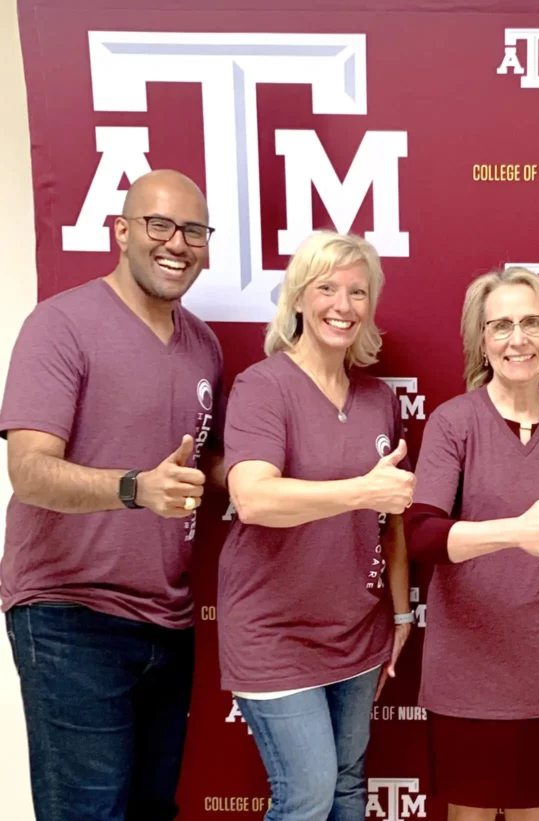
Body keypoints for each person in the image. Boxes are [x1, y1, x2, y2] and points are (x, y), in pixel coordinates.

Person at [1, 169, 223, 821]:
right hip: (71, 614)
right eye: (159, 225)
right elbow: (29, 470)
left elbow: (205, 466)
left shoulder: (205, 346)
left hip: (168, 619)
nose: (177, 244)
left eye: (193, 230)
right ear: (123, 231)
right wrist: (134, 488)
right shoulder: (61, 324)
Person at [219, 230, 416, 821]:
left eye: (358, 292)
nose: (343, 304)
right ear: (299, 298)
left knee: (349, 788)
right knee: (306, 795)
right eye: (327, 287)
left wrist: (401, 614)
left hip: (356, 631)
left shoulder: (379, 398)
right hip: (274, 634)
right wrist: (361, 491)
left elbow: (392, 522)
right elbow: (252, 497)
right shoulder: (264, 385)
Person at [404, 266, 539, 821]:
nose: (518, 339)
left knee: (534, 814)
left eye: (532, 322)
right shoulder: (453, 422)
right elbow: (421, 535)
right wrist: (514, 532)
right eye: (501, 326)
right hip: (469, 666)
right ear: (482, 341)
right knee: (469, 812)